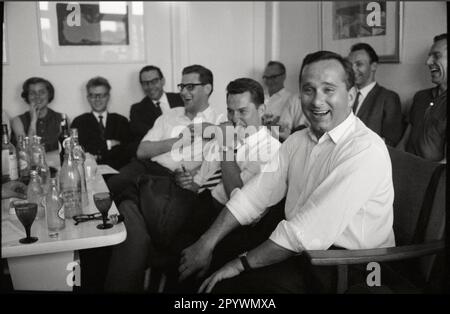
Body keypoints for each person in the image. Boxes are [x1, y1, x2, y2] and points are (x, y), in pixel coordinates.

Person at [178, 51, 395, 293]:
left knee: (231, 286)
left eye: (328, 90)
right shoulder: (297, 140)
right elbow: (254, 195)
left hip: (350, 265)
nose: (316, 101)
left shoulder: (364, 149)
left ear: (351, 96)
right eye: (308, 90)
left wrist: (239, 265)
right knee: (204, 260)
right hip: (302, 249)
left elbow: (304, 231)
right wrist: (206, 243)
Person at [104, 65, 225, 292]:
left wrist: (194, 182)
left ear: (207, 88)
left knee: (132, 216)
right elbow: (142, 150)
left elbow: (211, 166)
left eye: (191, 86)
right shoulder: (169, 115)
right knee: (110, 186)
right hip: (144, 168)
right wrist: (179, 140)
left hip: (172, 181)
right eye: (181, 86)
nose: (183, 92)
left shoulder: (219, 121)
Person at [400, 33, 447, 162]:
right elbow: (405, 140)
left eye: (436, 56)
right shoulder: (420, 97)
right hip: (405, 171)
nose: (428, 62)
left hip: (431, 178)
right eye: (429, 56)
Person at [347, 43, 404, 147]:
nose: (352, 69)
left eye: (359, 64)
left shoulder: (388, 98)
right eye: (350, 65)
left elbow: (391, 141)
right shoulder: (345, 96)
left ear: (373, 66)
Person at [71, 76, 130, 170]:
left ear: (108, 97)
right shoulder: (79, 122)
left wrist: (95, 150)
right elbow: (78, 151)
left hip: (118, 172)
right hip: (88, 171)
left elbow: (126, 151)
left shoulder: (121, 121)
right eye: (93, 95)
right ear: (88, 98)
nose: (97, 99)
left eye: (101, 95)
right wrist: (109, 144)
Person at [129, 65, 184, 155]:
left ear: (162, 81)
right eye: (145, 83)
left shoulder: (181, 99)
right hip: (158, 156)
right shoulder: (137, 110)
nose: (150, 87)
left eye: (154, 81)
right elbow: (146, 140)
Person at [11, 77, 63, 152]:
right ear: (27, 96)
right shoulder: (17, 121)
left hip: (56, 163)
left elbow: (65, 150)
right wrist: (33, 122)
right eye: (32, 93)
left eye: (42, 92)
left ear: (49, 94)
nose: (37, 96)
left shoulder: (61, 118)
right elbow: (25, 152)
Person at [262, 61, 306, 141]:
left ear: (283, 76)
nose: (269, 81)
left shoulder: (293, 100)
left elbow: (288, 130)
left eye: (273, 77)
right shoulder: (260, 97)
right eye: (266, 77)